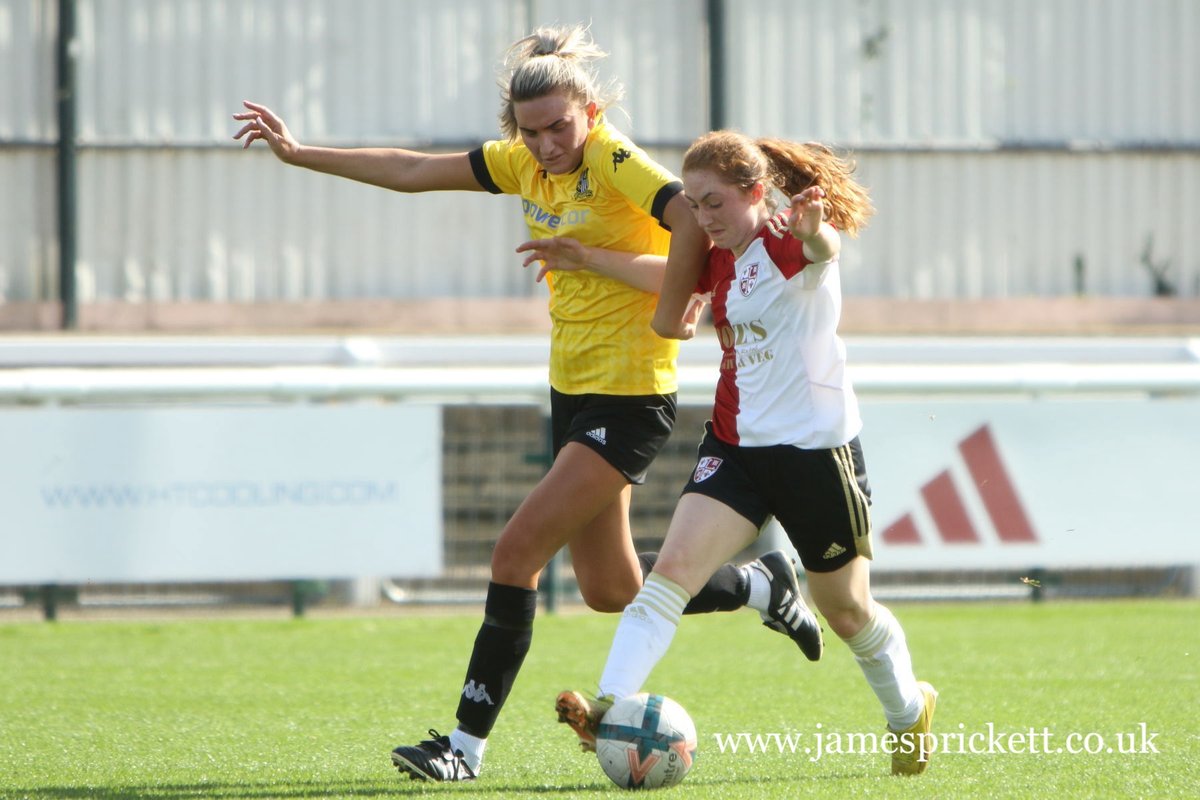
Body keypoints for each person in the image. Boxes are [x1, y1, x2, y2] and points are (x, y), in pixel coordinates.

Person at [232, 27, 821, 783]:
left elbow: (689, 229)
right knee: (613, 590)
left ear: (591, 111)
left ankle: (463, 748)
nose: (545, 145)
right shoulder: (521, 163)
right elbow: (413, 169)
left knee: (515, 554)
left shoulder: (613, 160)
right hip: (572, 390)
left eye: (559, 128)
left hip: (632, 395)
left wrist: (652, 295)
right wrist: (301, 152)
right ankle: (758, 585)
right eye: (530, 131)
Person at [554, 131, 938, 776]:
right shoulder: (718, 253)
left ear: (756, 193)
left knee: (844, 609)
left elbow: (824, 248)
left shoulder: (789, 238)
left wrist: (817, 230)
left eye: (714, 204)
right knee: (668, 576)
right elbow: (671, 276)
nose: (703, 219)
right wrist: (587, 257)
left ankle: (908, 714)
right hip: (735, 446)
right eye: (695, 207)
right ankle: (608, 706)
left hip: (817, 452)